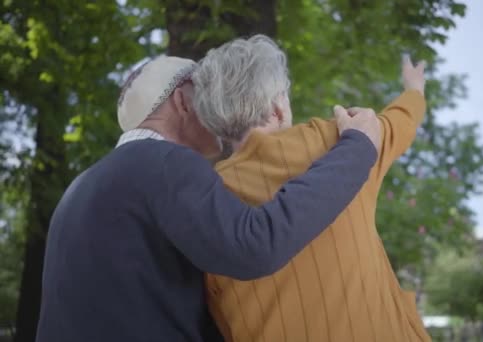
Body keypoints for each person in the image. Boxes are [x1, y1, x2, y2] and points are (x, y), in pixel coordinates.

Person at [35, 56, 381, 342]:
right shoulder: (166, 164)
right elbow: (254, 246)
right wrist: (357, 148)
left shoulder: (84, 186)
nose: (221, 106)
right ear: (183, 101)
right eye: (209, 93)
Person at [193, 35, 431, 341]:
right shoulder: (342, 140)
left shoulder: (204, 198)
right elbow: (402, 120)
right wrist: (415, 89)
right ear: (278, 107)